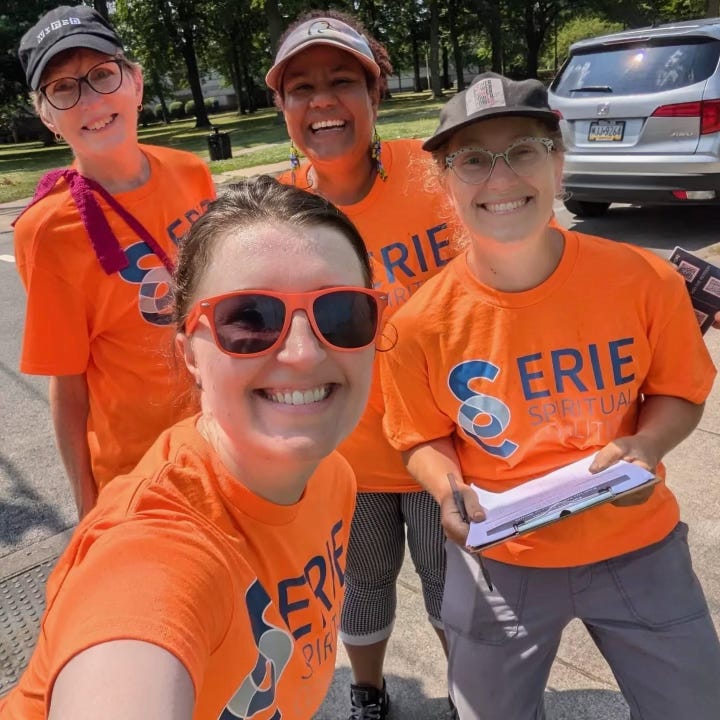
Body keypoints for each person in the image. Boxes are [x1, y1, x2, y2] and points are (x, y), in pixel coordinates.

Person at [380, 72, 720, 720]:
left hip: (636, 539)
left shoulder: (643, 280)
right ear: (445, 185)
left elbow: (680, 390)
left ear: (558, 164)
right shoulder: (417, 325)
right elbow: (419, 436)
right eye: (473, 160)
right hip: (503, 559)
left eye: (523, 152)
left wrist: (646, 443)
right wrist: (449, 490)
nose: (501, 179)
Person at [0, 176, 387, 719]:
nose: (303, 352)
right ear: (189, 355)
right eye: (249, 319)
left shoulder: (333, 477)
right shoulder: (153, 544)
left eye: (341, 312)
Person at [265, 10, 460, 718]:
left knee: (452, 588)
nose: (322, 100)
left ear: (375, 95)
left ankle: (468, 693)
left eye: (342, 80)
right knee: (363, 583)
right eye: (301, 87)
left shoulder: (430, 171)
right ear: (281, 105)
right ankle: (369, 691)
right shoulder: (279, 209)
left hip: (443, 442)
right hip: (343, 453)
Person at [13, 4, 215, 518]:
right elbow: (69, 384)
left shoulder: (191, 172)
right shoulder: (47, 232)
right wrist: (89, 509)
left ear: (136, 82)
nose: (91, 101)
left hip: (227, 437)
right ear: (46, 115)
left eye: (102, 75)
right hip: (142, 478)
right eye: (63, 88)